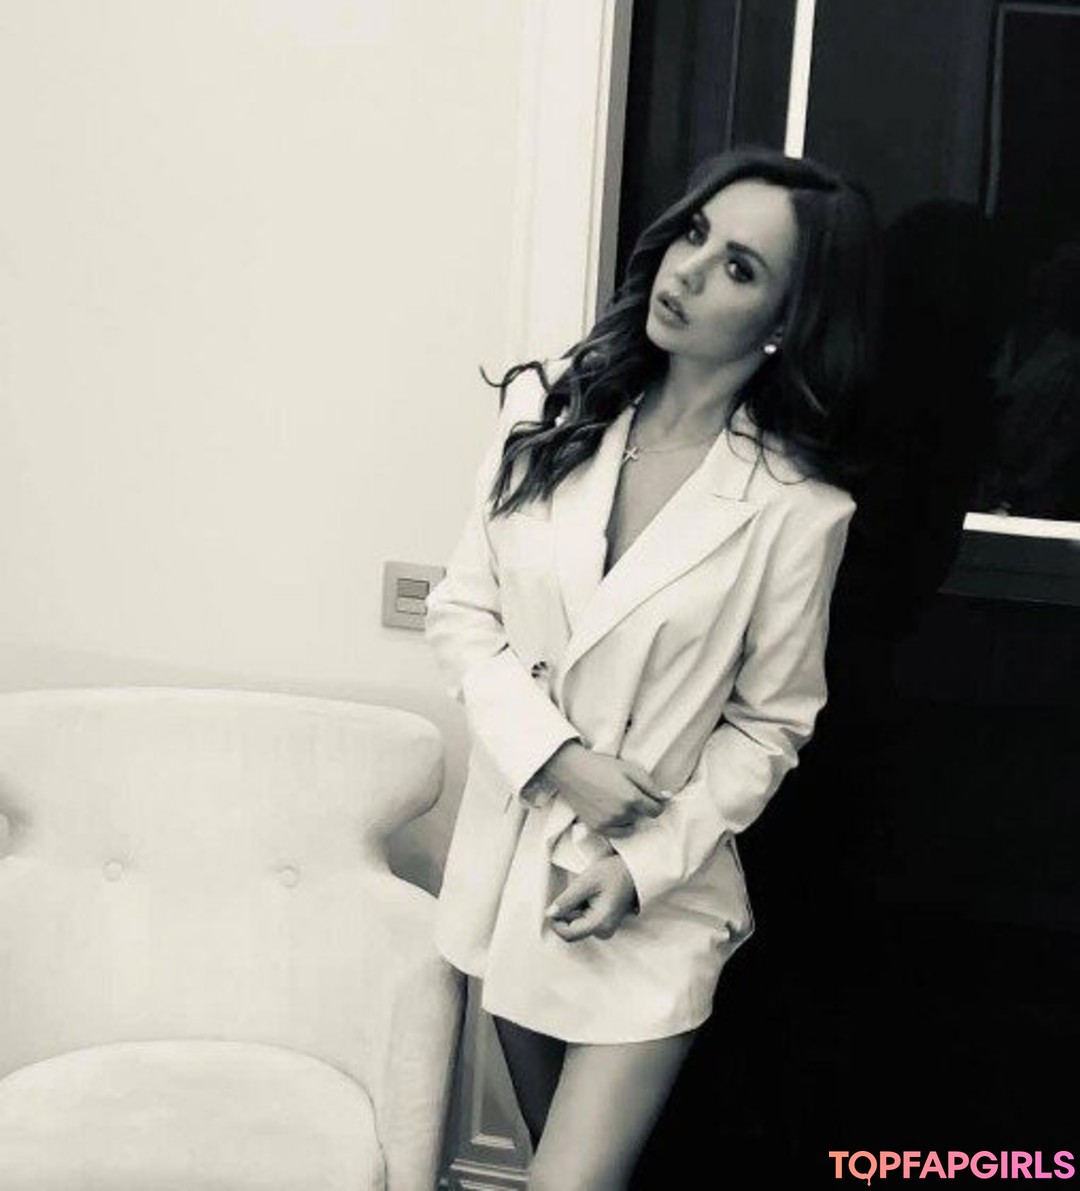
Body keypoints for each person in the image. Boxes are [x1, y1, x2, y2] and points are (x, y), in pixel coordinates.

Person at [425, 147, 880, 1190]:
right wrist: (556, 760)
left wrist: (640, 867)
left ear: (786, 320)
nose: (689, 269)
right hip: (514, 880)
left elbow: (770, 724)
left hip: (654, 896)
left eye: (739, 268)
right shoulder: (547, 415)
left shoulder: (798, 509)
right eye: (696, 234)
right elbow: (462, 612)